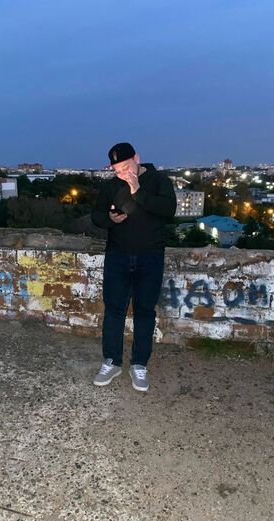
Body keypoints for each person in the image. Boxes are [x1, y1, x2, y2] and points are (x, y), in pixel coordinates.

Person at [91, 142, 177, 392]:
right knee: (114, 310)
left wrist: (137, 190)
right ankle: (111, 361)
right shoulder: (110, 186)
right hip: (117, 256)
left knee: (144, 311)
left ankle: (139, 364)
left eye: (126, 167)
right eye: (117, 170)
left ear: (137, 159)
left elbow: (168, 210)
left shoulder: (159, 181)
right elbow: (96, 216)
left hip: (150, 257)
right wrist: (110, 218)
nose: (122, 173)